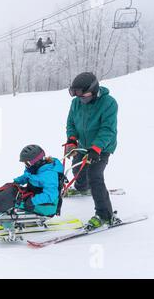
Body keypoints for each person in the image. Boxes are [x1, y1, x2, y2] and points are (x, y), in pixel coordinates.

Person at [65, 72, 121, 230]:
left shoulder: (109, 103)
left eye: (85, 96)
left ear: (95, 91)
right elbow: (71, 122)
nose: (81, 99)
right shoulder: (77, 102)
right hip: (83, 144)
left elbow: (107, 129)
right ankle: (83, 188)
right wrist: (72, 139)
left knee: (95, 175)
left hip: (102, 147)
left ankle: (105, 215)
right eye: (78, 96)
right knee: (78, 169)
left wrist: (96, 148)